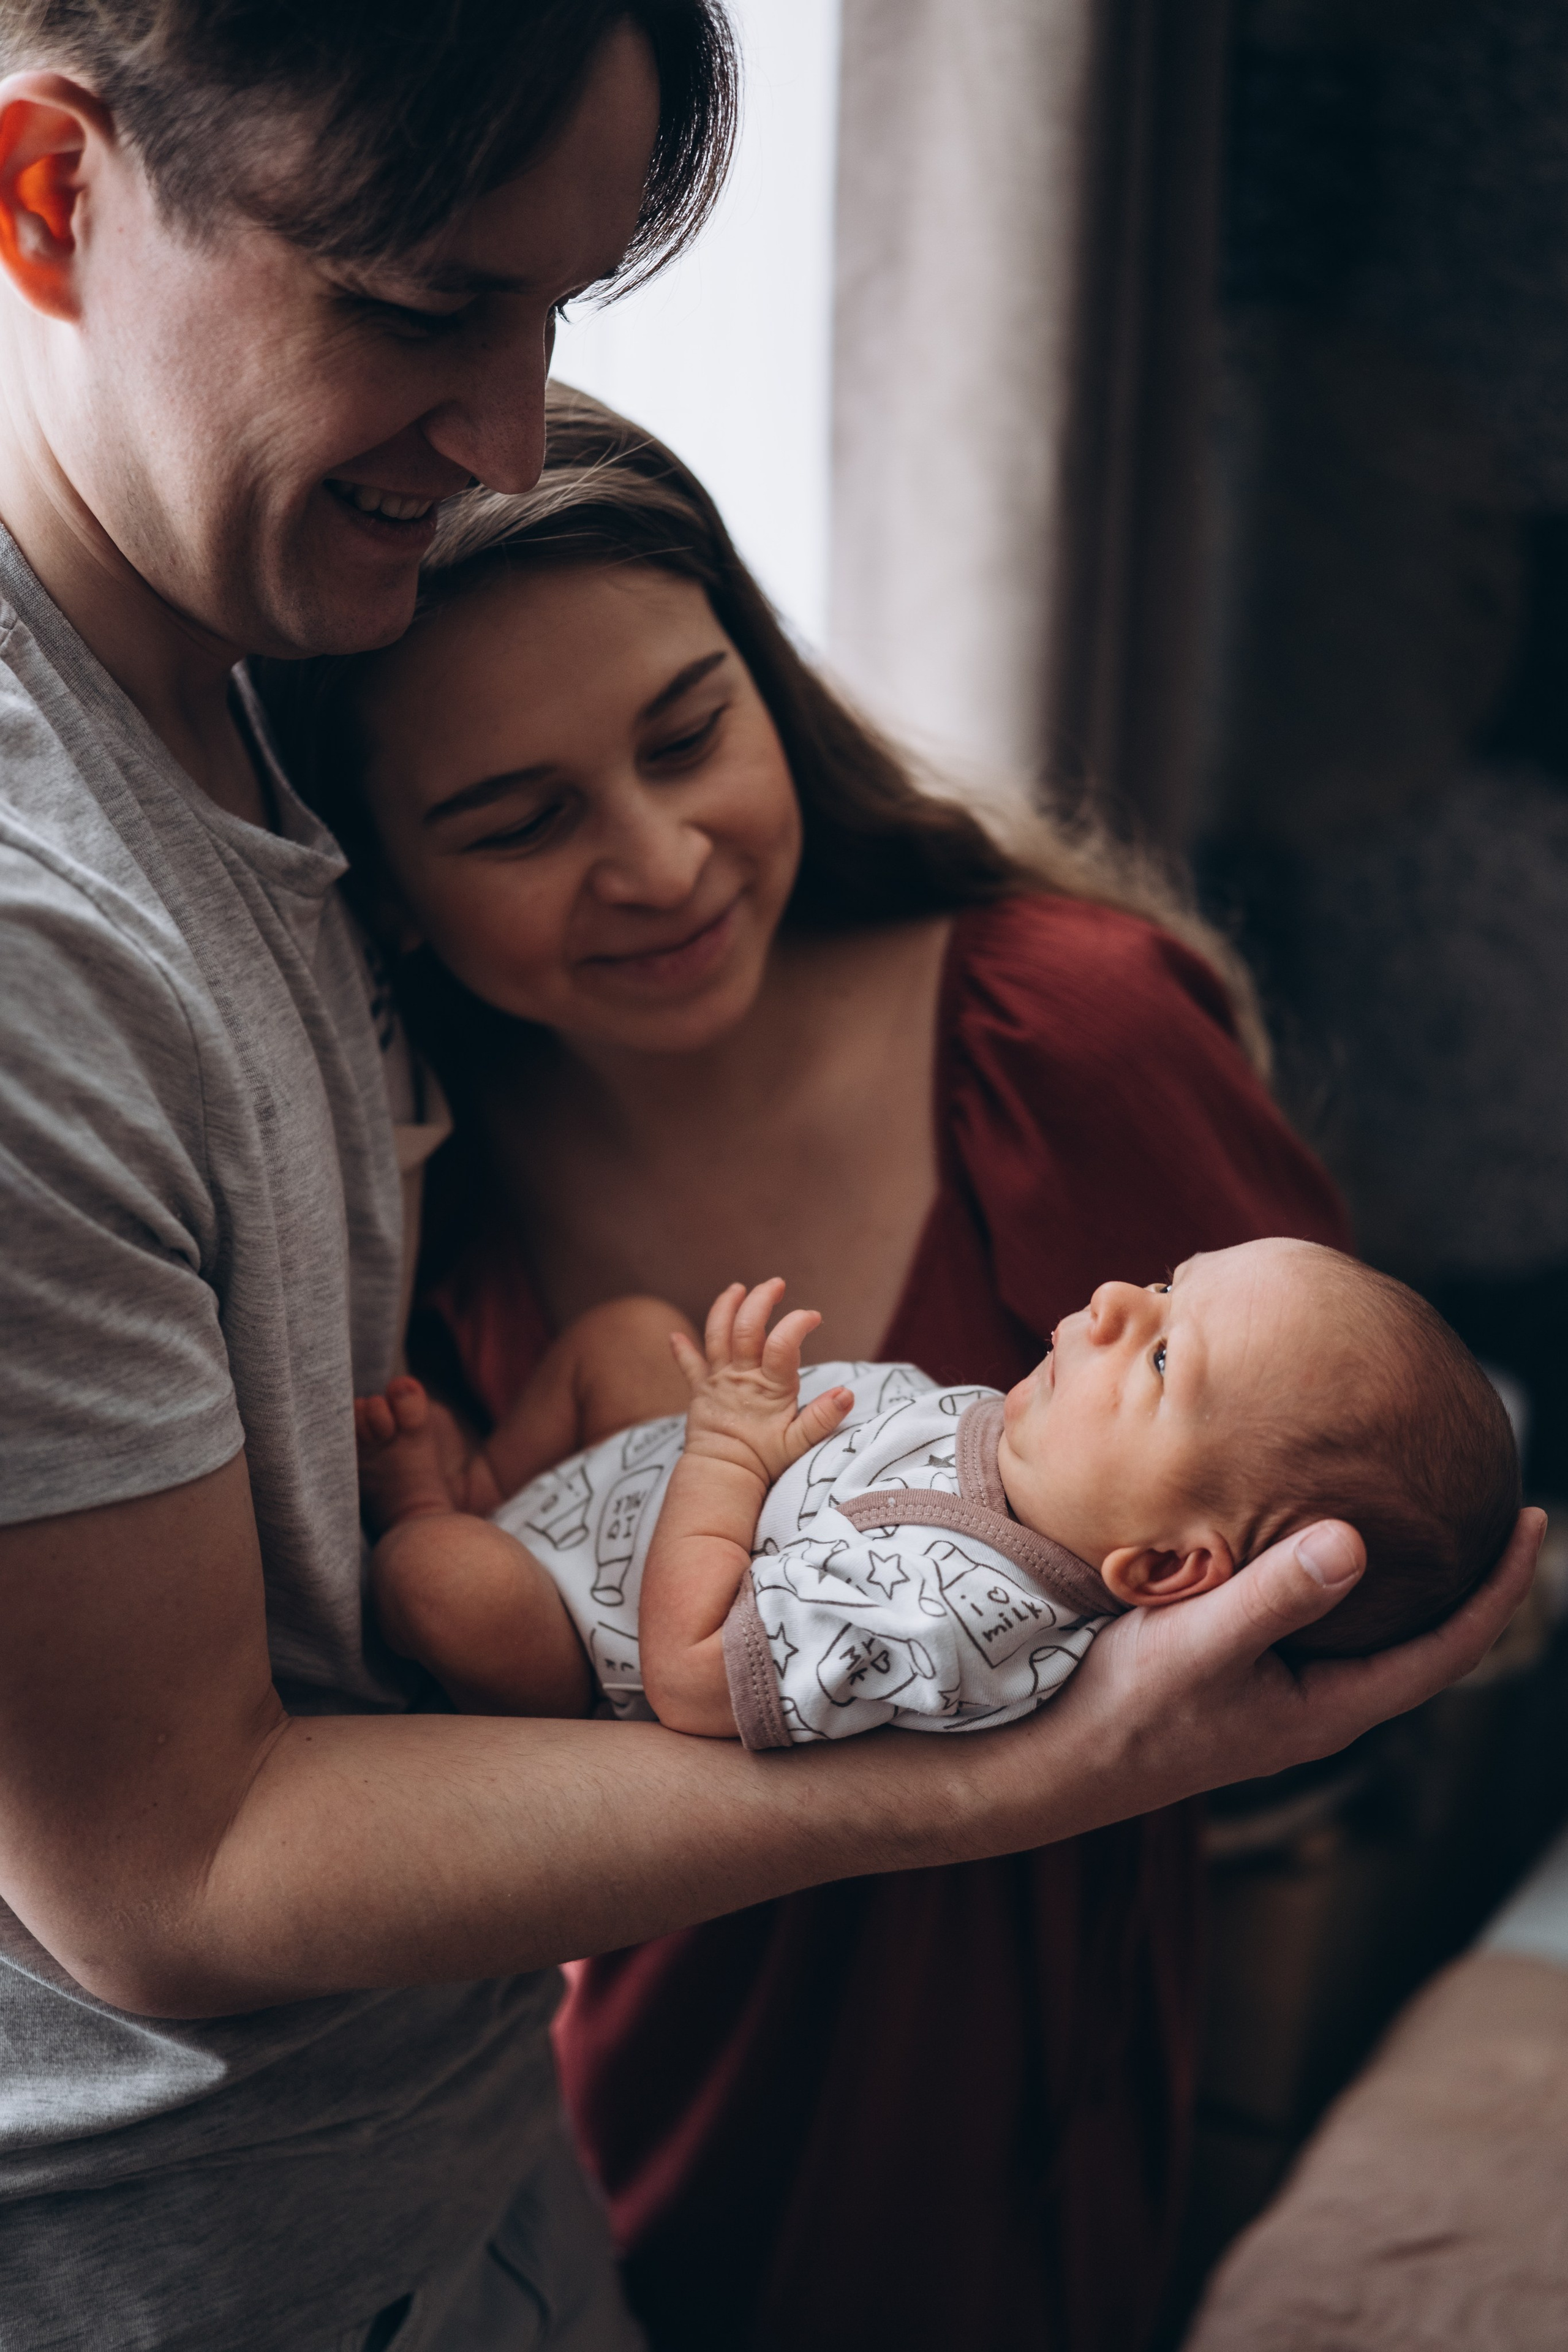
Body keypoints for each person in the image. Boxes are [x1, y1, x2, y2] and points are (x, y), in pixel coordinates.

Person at [252, 383, 1542, 2352]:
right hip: (553, 2062)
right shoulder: (396, 1179)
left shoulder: (1063, 1042)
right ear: (384, 887)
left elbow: (1336, 1525)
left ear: (771, 684)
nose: (664, 858)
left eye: (690, 734)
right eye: (519, 821)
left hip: (976, 2066)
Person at [358, 1245, 1521, 1738]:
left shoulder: (953, 1618)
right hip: (636, 1495)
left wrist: (724, 1446)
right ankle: (494, 1480)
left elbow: (689, 1677)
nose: (1116, 1298)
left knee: (438, 1582)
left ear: (1168, 1567)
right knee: (626, 1339)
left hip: (583, 1629)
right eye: (1168, 1285)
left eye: (1163, 1358)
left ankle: (436, 1517)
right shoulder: (1028, 1453)